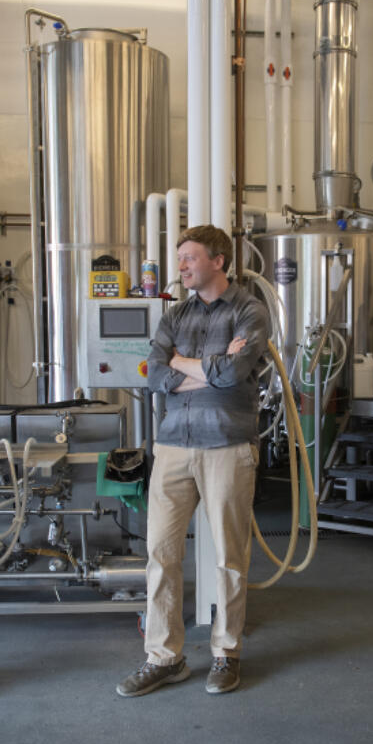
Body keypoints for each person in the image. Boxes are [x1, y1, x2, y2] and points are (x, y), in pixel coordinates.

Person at [116, 224, 270, 697]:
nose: (181, 265)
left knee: (229, 556)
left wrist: (184, 362)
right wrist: (204, 367)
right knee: (160, 554)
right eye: (179, 257)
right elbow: (154, 375)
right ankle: (165, 657)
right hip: (173, 447)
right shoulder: (174, 315)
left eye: (189, 257)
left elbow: (234, 373)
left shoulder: (249, 310)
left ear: (218, 261)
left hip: (227, 444)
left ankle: (226, 653)